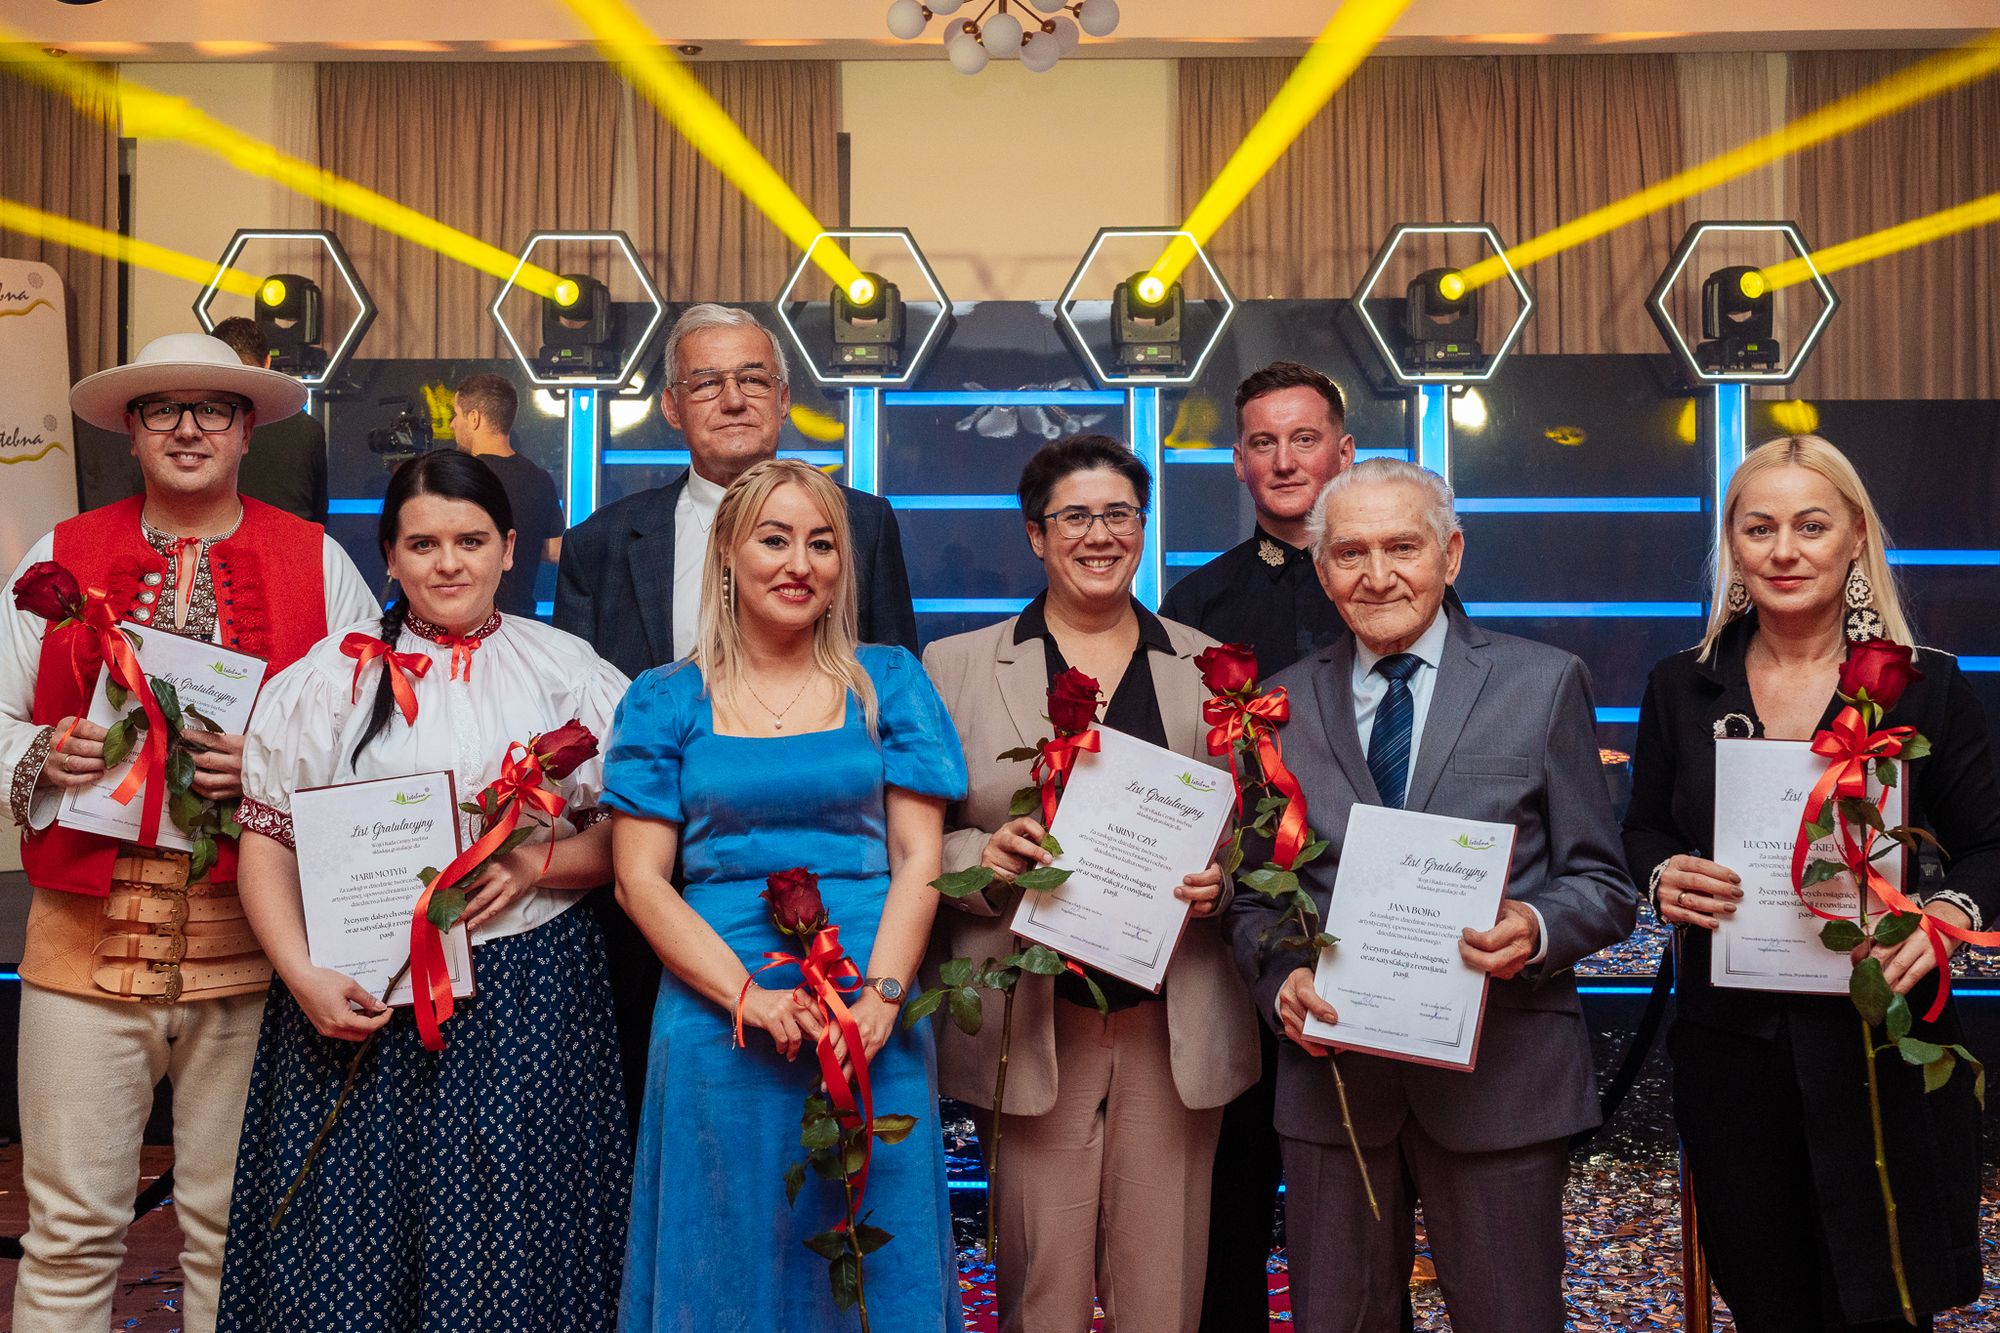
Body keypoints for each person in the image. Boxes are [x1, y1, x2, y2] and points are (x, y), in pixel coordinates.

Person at [1, 332, 377, 1333]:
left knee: (231, 1231)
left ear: (247, 429)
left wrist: (268, 765)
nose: (187, 428)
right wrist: (44, 752)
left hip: (255, 953)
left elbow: (368, 741)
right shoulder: (58, 553)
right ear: (131, 432)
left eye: (212, 408)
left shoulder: (319, 562)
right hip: (82, 943)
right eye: (162, 409)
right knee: (69, 1233)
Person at [214, 449, 631, 1330]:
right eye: (424, 543)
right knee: (358, 1238)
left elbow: (627, 843)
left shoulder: (570, 671)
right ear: (390, 557)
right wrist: (301, 974)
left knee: (519, 1234)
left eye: (471, 541)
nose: (449, 564)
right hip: (360, 990)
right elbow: (267, 843)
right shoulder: (326, 680)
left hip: (532, 991)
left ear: (509, 548)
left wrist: (533, 865)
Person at [1230, 458, 1637, 1332]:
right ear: (1322, 570)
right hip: (1336, 1088)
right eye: (1350, 552)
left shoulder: (1543, 682)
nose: (1377, 575)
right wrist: (1280, 981)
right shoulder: (1274, 704)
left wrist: (1535, 925)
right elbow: (1253, 895)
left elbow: (1604, 882)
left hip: (1501, 1079)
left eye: (1403, 547)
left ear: (1450, 554)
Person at [1622, 435, 2000, 1332]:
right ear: (1733, 543)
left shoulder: (1926, 685)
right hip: (1731, 1051)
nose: (1784, 550)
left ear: (1856, 535)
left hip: (1882, 1047)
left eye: (1811, 525)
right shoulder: (1681, 685)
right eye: (1760, 528)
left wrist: (1945, 914)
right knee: (1767, 1300)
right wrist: (1663, 873)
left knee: (1883, 1303)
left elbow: (1992, 844)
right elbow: (1644, 827)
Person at [603, 458, 965, 1330]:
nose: (800, 563)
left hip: (870, 1007)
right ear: (728, 552)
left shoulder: (889, 682)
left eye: (822, 543)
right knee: (723, 1243)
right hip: (716, 1012)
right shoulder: (663, 698)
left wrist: (883, 998)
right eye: (775, 539)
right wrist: (749, 998)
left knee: (877, 1246)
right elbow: (638, 879)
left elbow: (920, 856)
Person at [922, 436, 1259, 1333]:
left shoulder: (1211, 665)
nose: (1099, 534)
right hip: (1032, 1016)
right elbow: (910, 841)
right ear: (1036, 534)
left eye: (1119, 514)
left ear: (1143, 527)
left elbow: (1253, 836)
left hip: (1173, 1015)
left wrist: (1222, 883)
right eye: (1074, 516)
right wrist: (983, 855)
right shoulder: (955, 665)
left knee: (1164, 1291)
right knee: (1043, 1288)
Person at [556, 303, 920, 1127]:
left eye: (754, 378)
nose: (733, 398)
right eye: (707, 382)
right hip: (650, 897)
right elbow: (582, 735)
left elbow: (896, 724)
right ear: (670, 405)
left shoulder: (862, 524)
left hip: (845, 917)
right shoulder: (601, 543)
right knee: (681, 1126)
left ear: (785, 398)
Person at [1159, 360, 1356, 1332]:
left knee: (1360, 1204)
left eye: (1303, 438)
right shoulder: (1193, 606)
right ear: (1237, 462)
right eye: (1262, 442)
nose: (1284, 460)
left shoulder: (1395, 583)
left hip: (1366, 927)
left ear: (1343, 452)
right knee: (1227, 1197)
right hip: (1232, 937)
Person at [450, 371, 564, 617]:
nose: (452, 424)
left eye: (456, 414)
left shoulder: (460, 476)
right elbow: (555, 550)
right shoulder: (539, 478)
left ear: (474, 418)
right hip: (523, 621)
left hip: (470, 622)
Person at [210, 316, 330, 524]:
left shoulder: (195, 427)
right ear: (267, 361)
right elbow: (319, 513)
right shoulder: (309, 428)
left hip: (220, 540)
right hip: (294, 540)